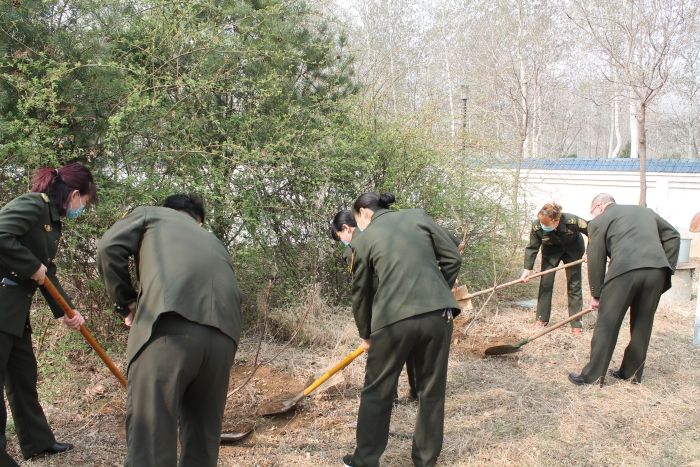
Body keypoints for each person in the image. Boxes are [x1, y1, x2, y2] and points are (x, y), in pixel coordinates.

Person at [96, 194, 242, 467]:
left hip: (169, 330)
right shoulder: (216, 242)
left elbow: (107, 247)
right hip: (224, 340)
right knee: (202, 440)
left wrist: (126, 302)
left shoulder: (152, 215)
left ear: (170, 211)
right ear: (198, 222)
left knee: (152, 436)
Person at [341, 193, 462, 467]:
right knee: (431, 389)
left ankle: (365, 460)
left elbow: (362, 293)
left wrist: (366, 333)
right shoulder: (417, 216)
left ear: (362, 212)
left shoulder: (364, 239)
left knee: (377, 390)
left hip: (393, 322)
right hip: (438, 316)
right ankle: (425, 460)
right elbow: (453, 257)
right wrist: (436, 292)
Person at [0, 164, 95, 465]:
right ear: (76, 194)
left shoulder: (52, 221)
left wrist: (68, 311)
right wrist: (32, 266)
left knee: (22, 375)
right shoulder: (32, 204)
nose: (82, 209)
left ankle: (37, 441)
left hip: (14, 312)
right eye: (85, 203)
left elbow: (46, 272)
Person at [569, 193, 680, 386]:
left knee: (607, 323)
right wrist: (667, 267)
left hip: (624, 271)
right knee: (642, 324)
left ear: (599, 207)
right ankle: (631, 374)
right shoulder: (646, 212)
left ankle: (593, 376)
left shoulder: (600, 221)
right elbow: (673, 236)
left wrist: (596, 294)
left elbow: (596, 260)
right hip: (656, 272)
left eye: (592, 212)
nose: (593, 216)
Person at [330, 210, 418, 403]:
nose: (343, 242)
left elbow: (363, 292)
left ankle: (387, 398)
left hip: (386, 308)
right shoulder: (387, 233)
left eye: (340, 237)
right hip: (412, 302)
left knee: (383, 354)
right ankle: (417, 392)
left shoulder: (356, 248)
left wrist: (366, 334)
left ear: (345, 228)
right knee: (410, 347)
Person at [521, 202, 589, 336]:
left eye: (547, 225)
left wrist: (590, 252)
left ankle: (576, 324)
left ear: (557, 221)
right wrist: (527, 270)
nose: (543, 227)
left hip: (573, 250)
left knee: (574, 285)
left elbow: (593, 231)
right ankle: (541, 319)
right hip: (551, 252)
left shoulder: (572, 221)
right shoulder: (536, 226)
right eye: (542, 224)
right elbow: (532, 248)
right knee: (545, 283)